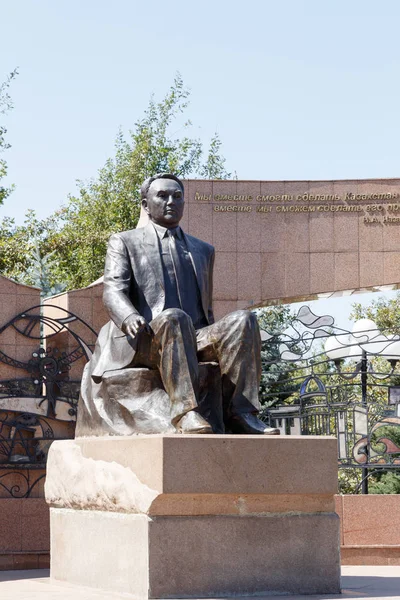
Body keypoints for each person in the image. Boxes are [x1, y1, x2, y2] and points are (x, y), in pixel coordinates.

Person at [77, 173, 279, 435]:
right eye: (162, 196)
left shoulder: (203, 250)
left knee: (244, 320)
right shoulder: (125, 241)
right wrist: (129, 317)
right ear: (146, 205)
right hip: (145, 337)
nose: (171, 201)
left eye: (177, 196)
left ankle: (240, 413)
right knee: (174, 316)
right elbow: (113, 291)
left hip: (192, 336)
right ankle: (185, 413)